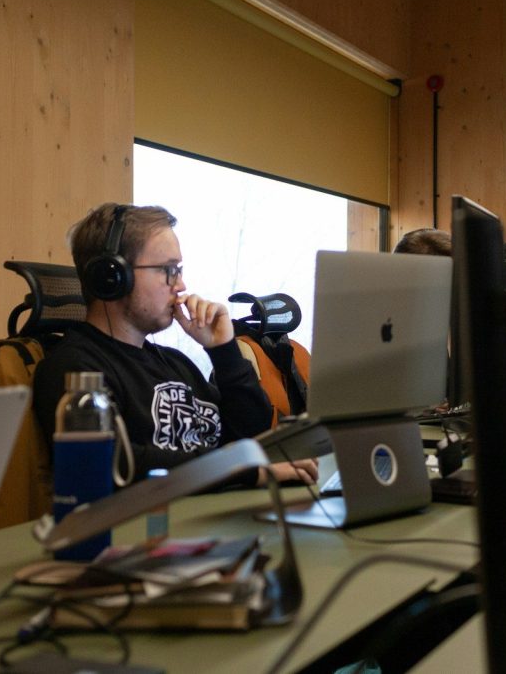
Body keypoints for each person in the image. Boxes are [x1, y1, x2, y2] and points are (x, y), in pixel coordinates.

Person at [33, 202, 318, 489]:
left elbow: (254, 436)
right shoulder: (75, 371)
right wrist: (247, 472)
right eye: (168, 270)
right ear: (113, 276)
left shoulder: (175, 363)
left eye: (179, 270)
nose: (181, 285)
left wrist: (224, 351)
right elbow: (118, 464)